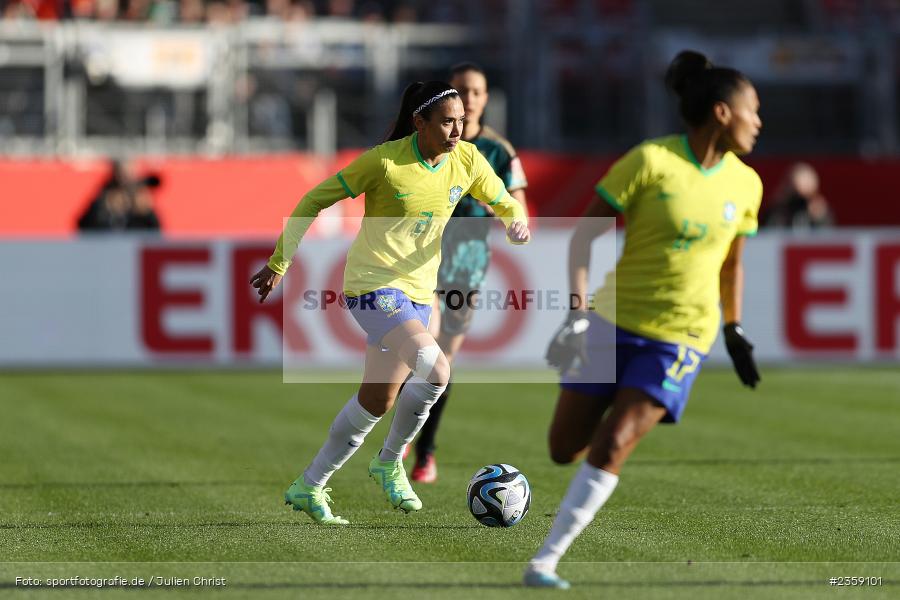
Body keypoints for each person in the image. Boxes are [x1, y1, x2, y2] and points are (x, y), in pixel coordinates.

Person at [523, 50, 763, 589]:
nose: (759, 123)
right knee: (564, 448)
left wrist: (734, 328)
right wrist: (580, 307)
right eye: (754, 110)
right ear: (722, 112)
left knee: (616, 441)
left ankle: (546, 560)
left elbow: (733, 265)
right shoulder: (650, 160)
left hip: (682, 336)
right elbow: (586, 231)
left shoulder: (747, 184)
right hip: (612, 322)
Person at [250, 81, 530, 525]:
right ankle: (389, 461)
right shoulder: (384, 162)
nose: (457, 129)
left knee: (377, 402)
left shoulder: (467, 159)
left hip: (419, 296)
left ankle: (309, 485)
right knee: (437, 369)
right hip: (372, 287)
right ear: (419, 122)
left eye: (460, 121)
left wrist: (516, 221)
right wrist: (280, 262)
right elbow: (313, 200)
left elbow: (502, 199)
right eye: (446, 121)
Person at [409, 62, 529, 483]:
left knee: (443, 360)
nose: (471, 99)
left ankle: (424, 451)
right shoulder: (425, 144)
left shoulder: (497, 150)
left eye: (477, 91)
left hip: (467, 268)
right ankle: (411, 438)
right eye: (462, 90)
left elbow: (515, 202)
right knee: (421, 350)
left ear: (486, 98)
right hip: (420, 261)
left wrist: (517, 222)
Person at [761, 162, 833, 230]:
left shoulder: (819, 211)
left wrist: (819, 217)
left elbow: (827, 235)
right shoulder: (778, 211)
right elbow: (768, 232)